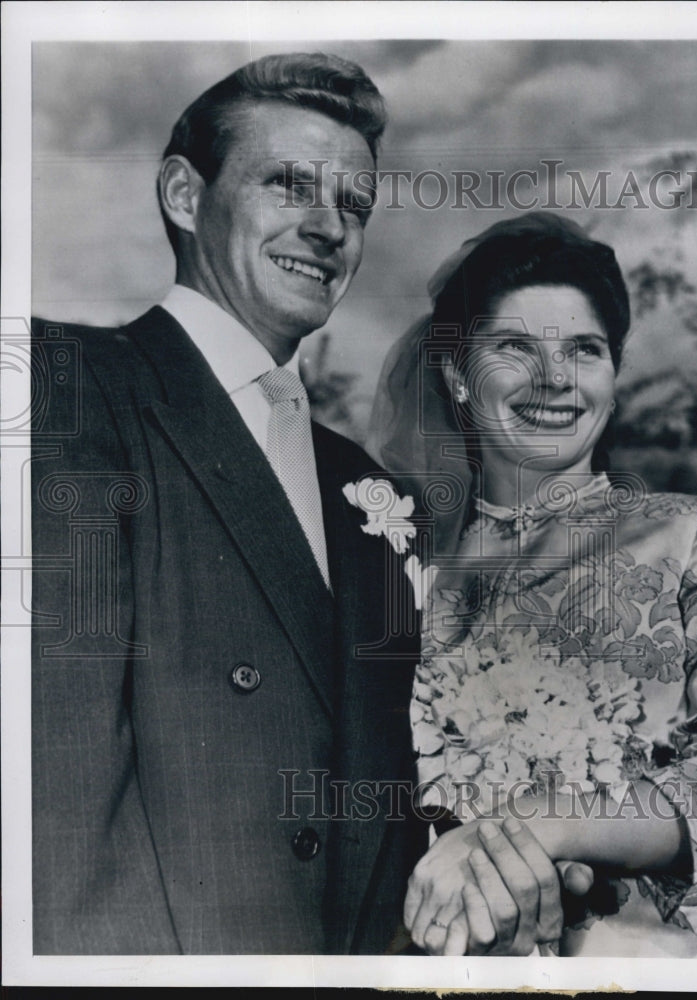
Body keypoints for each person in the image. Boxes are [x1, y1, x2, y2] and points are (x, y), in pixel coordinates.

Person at [30, 51, 431, 956]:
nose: (328, 228)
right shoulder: (67, 388)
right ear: (183, 194)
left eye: (354, 206)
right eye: (289, 186)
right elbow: (54, 798)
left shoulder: (374, 493)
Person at [369, 212, 697, 957]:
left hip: (651, 961)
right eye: (514, 347)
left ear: (612, 376)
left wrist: (542, 825)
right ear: (456, 373)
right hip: (444, 955)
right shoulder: (401, 568)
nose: (554, 379)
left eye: (584, 350)